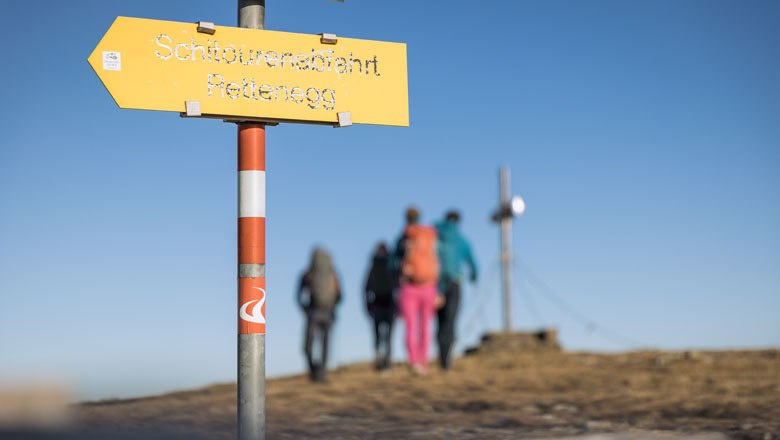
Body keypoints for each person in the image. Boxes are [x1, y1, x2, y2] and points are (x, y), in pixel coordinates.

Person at [391, 206, 441, 375]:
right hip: (429, 285)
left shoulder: (404, 237)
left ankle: (413, 361)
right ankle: (423, 361)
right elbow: (438, 261)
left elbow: (392, 263)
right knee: (425, 326)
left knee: (411, 326)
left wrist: (401, 268)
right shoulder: (430, 236)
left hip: (409, 286)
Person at [435, 210, 478, 370]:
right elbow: (472, 261)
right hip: (455, 283)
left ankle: (441, 355)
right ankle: (447, 358)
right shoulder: (461, 240)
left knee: (439, 322)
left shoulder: (436, 236)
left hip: (437, 284)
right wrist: (474, 275)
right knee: (451, 321)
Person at [297, 247, 342, 382]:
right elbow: (340, 296)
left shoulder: (308, 274)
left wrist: (305, 309)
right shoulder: (333, 274)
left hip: (313, 312)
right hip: (328, 313)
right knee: (325, 344)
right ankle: (321, 374)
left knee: (307, 346)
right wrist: (332, 308)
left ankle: (314, 371)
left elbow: (298, 295)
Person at [364, 242, 396, 371]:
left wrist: (368, 306)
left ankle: (379, 359)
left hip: (377, 305)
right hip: (389, 304)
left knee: (378, 335)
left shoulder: (373, 266)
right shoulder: (391, 265)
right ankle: (386, 362)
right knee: (388, 336)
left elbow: (366, 288)